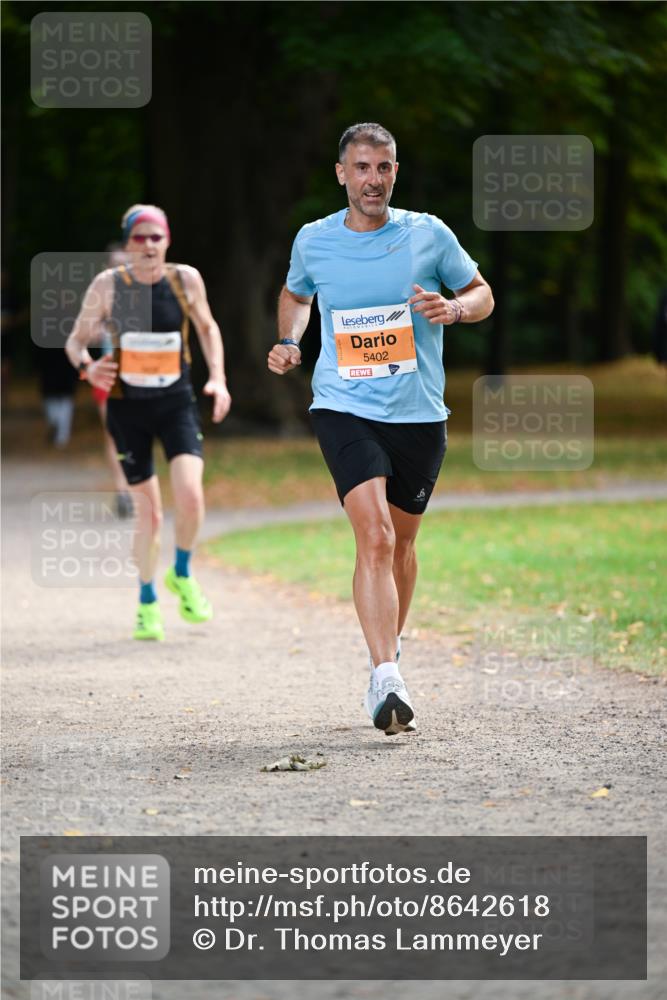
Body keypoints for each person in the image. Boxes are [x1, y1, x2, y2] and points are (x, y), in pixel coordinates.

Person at [268, 123, 494, 735]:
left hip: (420, 412)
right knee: (376, 537)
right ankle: (385, 672)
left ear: (396, 171)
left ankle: (389, 649)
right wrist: (290, 339)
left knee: (403, 545)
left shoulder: (428, 234)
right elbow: (296, 294)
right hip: (343, 404)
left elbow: (481, 293)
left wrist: (453, 309)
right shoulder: (314, 240)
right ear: (342, 173)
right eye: (363, 167)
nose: (375, 179)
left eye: (385, 167)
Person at [66, 204, 231, 640]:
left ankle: (180, 571)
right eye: (139, 238)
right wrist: (87, 367)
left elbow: (208, 328)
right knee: (150, 515)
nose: (149, 245)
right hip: (129, 409)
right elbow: (75, 340)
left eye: (156, 237)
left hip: (176, 403)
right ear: (127, 244)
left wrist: (218, 378)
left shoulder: (184, 279)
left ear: (167, 241)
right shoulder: (109, 285)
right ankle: (146, 601)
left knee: (191, 496)